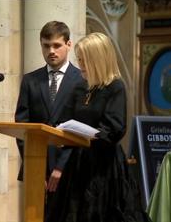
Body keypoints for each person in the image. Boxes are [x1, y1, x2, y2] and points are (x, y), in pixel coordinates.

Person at [50, 32, 151, 222]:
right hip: (78, 164)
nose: (80, 64)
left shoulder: (115, 87)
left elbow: (114, 129)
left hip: (103, 167)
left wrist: (91, 134)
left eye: (84, 59)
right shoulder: (79, 88)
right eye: (79, 59)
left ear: (98, 59)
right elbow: (62, 119)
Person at [14, 21, 86, 221]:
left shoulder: (81, 80)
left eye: (56, 45)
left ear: (69, 44)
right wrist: (33, 164)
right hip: (36, 168)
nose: (51, 51)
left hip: (70, 167)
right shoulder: (30, 80)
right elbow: (22, 127)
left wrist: (60, 167)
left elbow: (80, 128)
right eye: (46, 46)